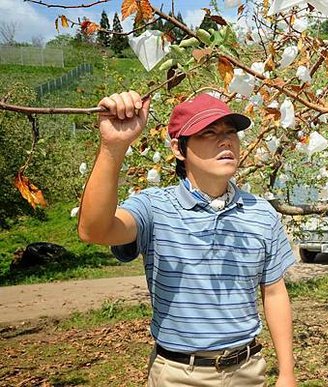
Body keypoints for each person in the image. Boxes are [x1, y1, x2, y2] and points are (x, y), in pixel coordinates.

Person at [77, 91, 297, 386]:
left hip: (248, 371)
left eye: (231, 132)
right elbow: (95, 230)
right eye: (209, 133)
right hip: (179, 375)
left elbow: (274, 293)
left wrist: (287, 373)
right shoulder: (154, 207)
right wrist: (113, 148)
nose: (226, 141)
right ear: (179, 149)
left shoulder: (261, 213)